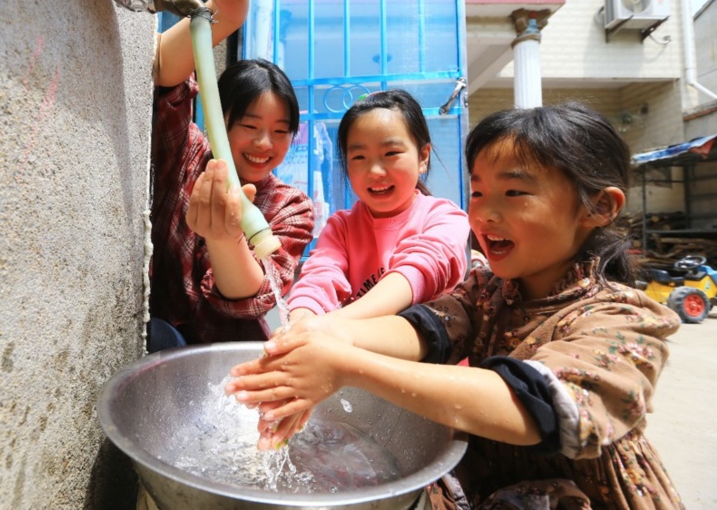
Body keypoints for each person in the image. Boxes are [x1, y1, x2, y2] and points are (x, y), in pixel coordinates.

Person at [225, 102, 684, 508]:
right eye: (479, 192)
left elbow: (532, 408)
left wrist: (345, 364)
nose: (483, 214)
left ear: (598, 208)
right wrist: (319, 335)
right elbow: (423, 329)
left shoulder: (626, 321)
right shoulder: (487, 290)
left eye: (514, 193)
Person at [148, 0, 314, 351]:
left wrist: (225, 239)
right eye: (250, 125)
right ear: (220, 118)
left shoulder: (292, 207)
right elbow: (160, 77)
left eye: (280, 131)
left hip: (229, 368)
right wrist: (222, 17)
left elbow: (257, 300)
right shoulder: (188, 154)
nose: (265, 143)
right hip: (154, 341)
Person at [287, 90, 469, 324]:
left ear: (423, 157)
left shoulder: (445, 218)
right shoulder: (342, 227)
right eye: (359, 157)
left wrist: (328, 324)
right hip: (358, 354)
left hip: (429, 358)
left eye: (391, 153)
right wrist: (301, 321)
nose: (375, 171)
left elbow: (419, 271)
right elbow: (318, 280)